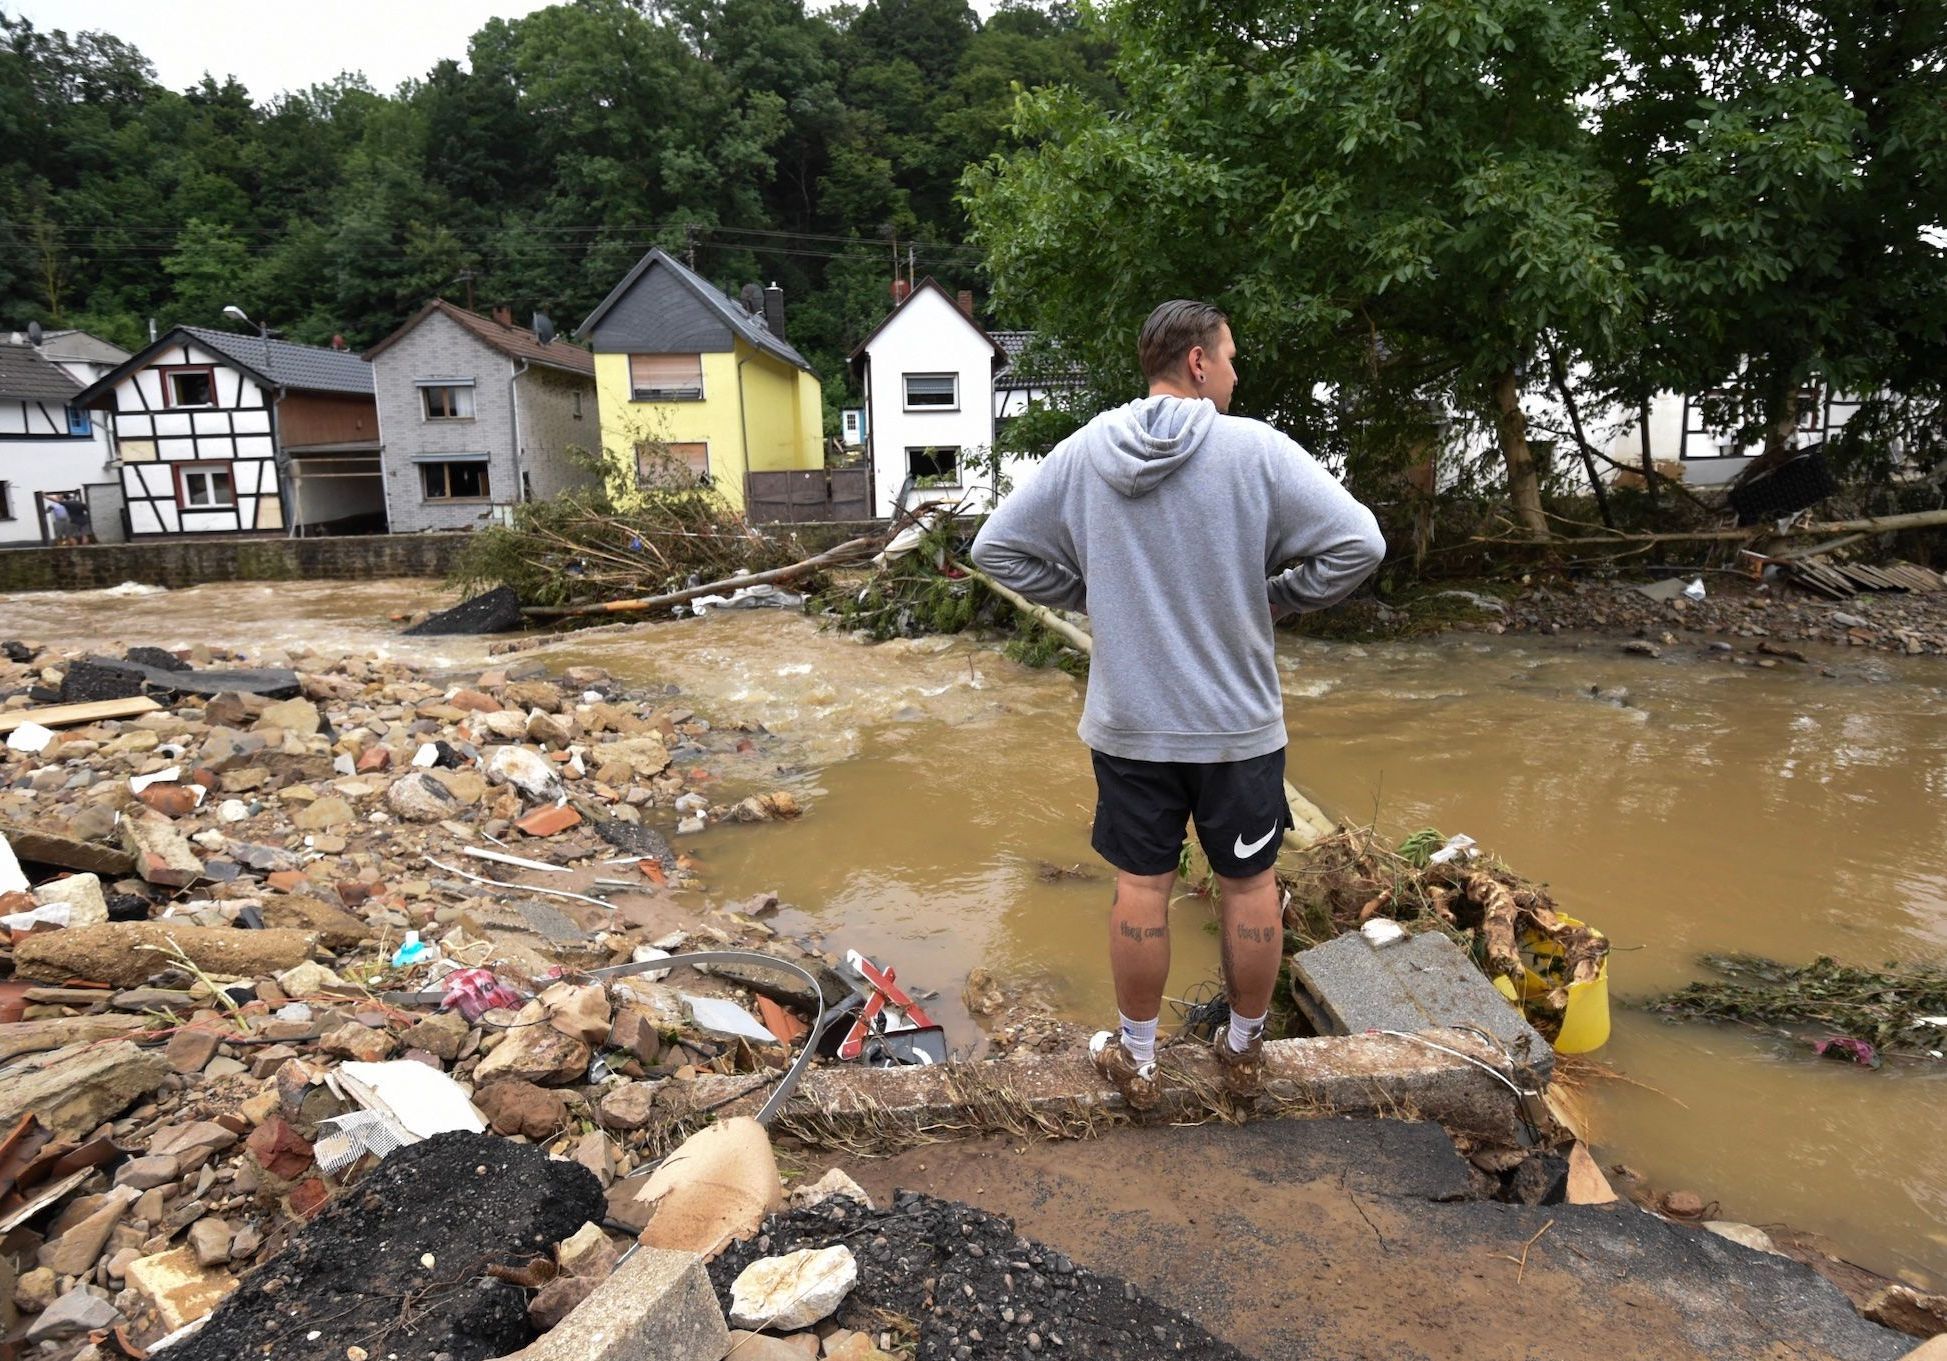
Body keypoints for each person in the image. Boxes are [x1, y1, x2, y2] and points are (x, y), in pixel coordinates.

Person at [970, 300, 1385, 1108]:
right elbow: (1359, 545)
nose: (1234, 374)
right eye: (1228, 358)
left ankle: (1138, 1060)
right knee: (1248, 885)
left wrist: (1091, 594)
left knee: (1141, 887)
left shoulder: (1088, 450)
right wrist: (1276, 598)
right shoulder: (1255, 450)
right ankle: (1242, 1051)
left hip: (1131, 723)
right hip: (1238, 726)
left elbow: (995, 549)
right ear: (1197, 363)